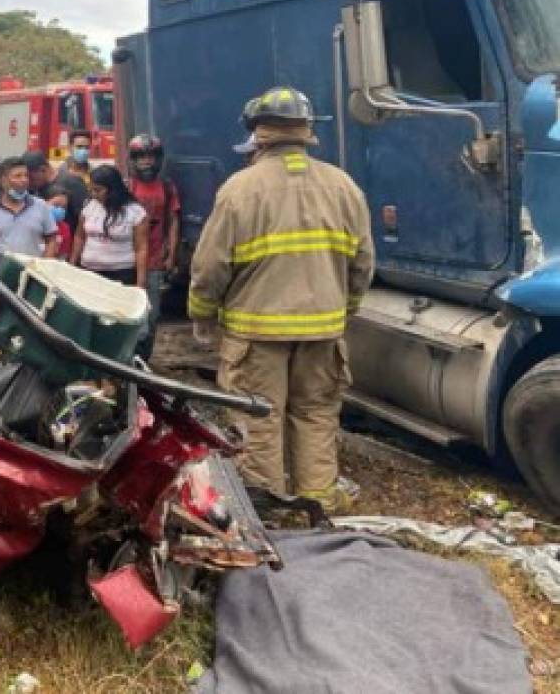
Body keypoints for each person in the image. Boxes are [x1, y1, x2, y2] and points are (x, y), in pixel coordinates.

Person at [188, 87, 374, 511]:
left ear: (258, 134)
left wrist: (203, 315)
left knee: (260, 417)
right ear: (308, 131)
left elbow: (210, 265)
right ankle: (316, 505)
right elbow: (363, 261)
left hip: (257, 330)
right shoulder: (343, 185)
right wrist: (344, 309)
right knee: (316, 416)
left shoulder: (241, 188)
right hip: (324, 330)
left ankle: (268, 509)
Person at [127, 134, 182, 359]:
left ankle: (144, 360)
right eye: (141, 157)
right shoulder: (127, 186)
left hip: (155, 261)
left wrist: (171, 253)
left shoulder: (167, 187)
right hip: (129, 261)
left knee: (152, 314)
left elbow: (173, 220)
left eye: (150, 157)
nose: (146, 162)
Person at [0, 156, 57, 269]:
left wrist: (44, 269)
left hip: (31, 279)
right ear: (3, 180)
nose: (24, 180)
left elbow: (51, 241)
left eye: (26, 175)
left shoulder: (40, 206)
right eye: (17, 176)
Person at [70, 165, 148, 287]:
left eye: (98, 190)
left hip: (122, 275)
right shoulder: (89, 206)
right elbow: (79, 237)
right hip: (89, 272)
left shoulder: (135, 212)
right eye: (91, 190)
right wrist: (72, 265)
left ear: (113, 190)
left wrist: (140, 283)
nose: (93, 194)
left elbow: (141, 248)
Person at [56, 131, 94, 229]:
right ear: (70, 147)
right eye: (79, 147)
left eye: (86, 148)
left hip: (89, 225)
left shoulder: (94, 173)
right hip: (68, 225)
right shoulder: (60, 173)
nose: (83, 151)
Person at [45, 186, 72, 259]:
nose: (60, 209)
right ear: (44, 202)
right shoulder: (35, 223)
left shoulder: (64, 228)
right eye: (56, 205)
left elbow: (63, 255)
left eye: (64, 207)